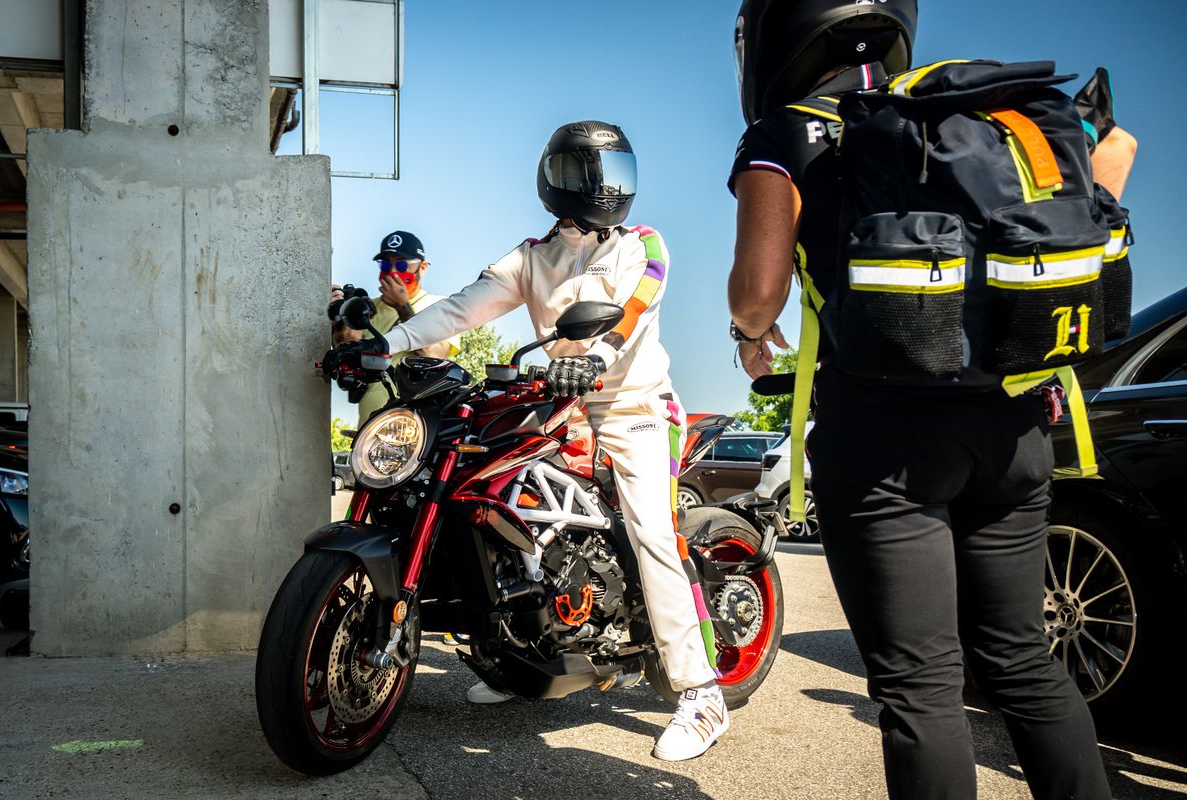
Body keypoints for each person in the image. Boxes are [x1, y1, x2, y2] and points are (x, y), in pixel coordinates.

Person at [726, 2, 1134, 798]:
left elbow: (757, 295)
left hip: (885, 448)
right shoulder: (972, 114)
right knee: (1022, 661)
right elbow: (1116, 149)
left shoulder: (790, 131)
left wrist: (747, 334)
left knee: (921, 689)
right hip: (1014, 426)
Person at [377, 120, 728, 762]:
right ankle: (520, 657)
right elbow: (461, 307)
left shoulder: (643, 243)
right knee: (488, 502)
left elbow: (634, 307)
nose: (602, 187)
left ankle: (701, 693)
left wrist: (598, 355)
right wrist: (386, 343)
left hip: (635, 406)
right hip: (555, 406)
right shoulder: (532, 258)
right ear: (555, 179)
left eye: (613, 173)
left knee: (652, 533)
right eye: (587, 172)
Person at [330, 230, 460, 425]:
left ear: (422, 267)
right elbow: (347, 354)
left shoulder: (440, 306)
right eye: (385, 264)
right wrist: (339, 319)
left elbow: (434, 355)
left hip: (417, 430)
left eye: (400, 264)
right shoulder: (367, 307)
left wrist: (403, 307)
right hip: (370, 429)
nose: (391, 271)